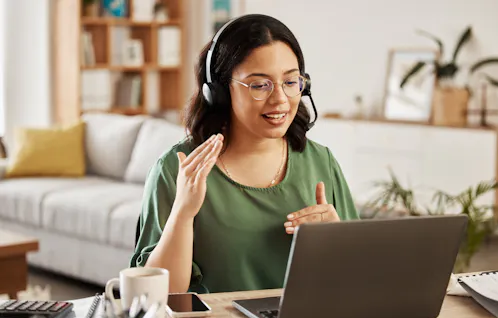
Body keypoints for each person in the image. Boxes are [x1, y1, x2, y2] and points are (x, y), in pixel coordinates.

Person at [130, 14, 359, 294]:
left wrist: (337, 239)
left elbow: (355, 282)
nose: (280, 100)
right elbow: (159, 296)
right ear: (219, 91)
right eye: (260, 85)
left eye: (290, 82)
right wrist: (183, 213)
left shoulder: (321, 162)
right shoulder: (178, 168)